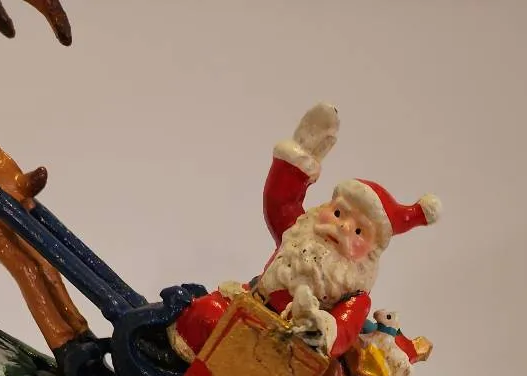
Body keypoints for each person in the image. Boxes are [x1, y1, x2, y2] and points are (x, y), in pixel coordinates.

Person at [170, 102, 440, 362]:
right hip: (248, 305)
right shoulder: (299, 233)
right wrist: (301, 156)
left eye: (358, 231)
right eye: (338, 213)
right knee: (206, 314)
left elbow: (344, 329)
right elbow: (280, 200)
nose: (343, 227)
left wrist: (320, 328)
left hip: (284, 348)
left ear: (371, 252)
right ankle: (175, 365)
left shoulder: (355, 295)